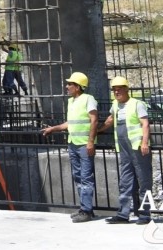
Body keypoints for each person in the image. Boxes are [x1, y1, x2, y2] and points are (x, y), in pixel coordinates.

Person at [43, 71, 97, 223]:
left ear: (78, 87)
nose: (67, 87)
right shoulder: (71, 102)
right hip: (73, 143)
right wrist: (53, 129)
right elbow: (70, 123)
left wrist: (91, 141)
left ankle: (86, 211)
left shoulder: (88, 99)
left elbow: (94, 120)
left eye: (70, 84)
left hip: (84, 144)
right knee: (78, 176)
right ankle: (85, 208)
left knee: (86, 178)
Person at [99, 76, 152, 225]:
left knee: (144, 180)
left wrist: (145, 143)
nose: (117, 91)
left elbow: (145, 124)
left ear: (127, 89)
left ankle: (145, 214)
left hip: (138, 148)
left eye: (120, 88)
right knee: (125, 180)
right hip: (124, 149)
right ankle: (123, 214)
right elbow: (110, 120)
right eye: (114, 89)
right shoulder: (115, 105)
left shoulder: (137, 104)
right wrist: (99, 130)